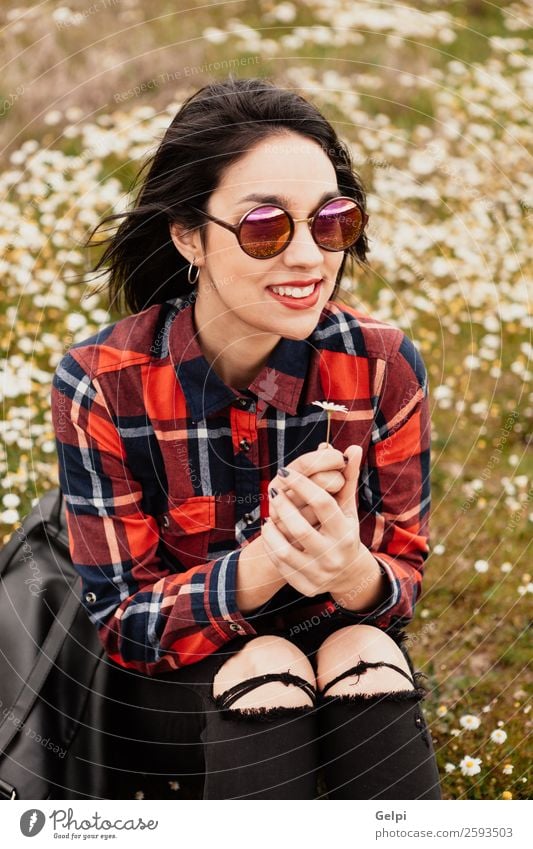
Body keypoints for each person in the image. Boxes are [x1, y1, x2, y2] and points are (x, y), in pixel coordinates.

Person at [51, 75, 442, 800]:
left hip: (342, 661)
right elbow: (122, 626)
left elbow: (401, 584)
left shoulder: (381, 364)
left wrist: (349, 569)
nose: (307, 258)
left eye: (330, 221)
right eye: (266, 226)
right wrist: (265, 564)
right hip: (173, 694)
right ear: (187, 235)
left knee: (364, 647)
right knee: (267, 664)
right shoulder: (102, 380)